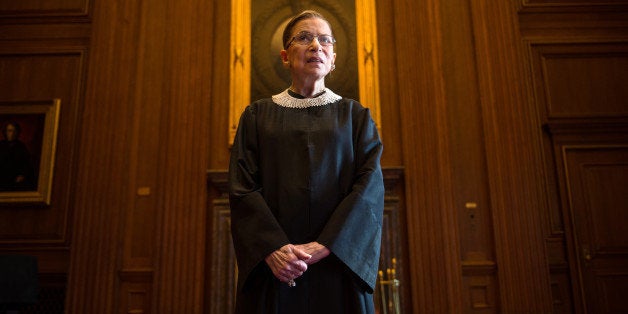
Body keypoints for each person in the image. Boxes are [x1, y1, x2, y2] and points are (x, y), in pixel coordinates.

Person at [228, 10, 384, 314]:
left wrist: (327, 245)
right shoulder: (257, 116)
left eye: (325, 40)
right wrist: (272, 248)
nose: (316, 45)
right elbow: (242, 187)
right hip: (276, 268)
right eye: (304, 38)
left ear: (333, 57)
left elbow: (369, 188)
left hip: (338, 264)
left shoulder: (356, 117)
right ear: (286, 56)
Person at [0, 122, 37, 191]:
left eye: (14, 131)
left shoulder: (21, 147)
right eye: (9, 131)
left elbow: (27, 164)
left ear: (17, 133)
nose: (12, 134)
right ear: (5, 132)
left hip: (16, 180)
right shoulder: (1, 145)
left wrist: (22, 175)